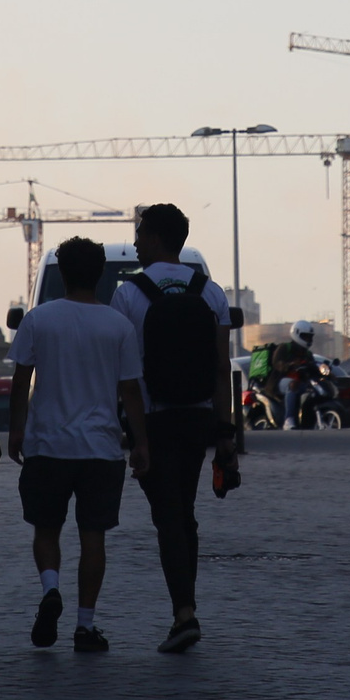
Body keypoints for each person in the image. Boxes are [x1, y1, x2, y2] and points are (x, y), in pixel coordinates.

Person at [8, 237, 149, 654]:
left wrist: (16, 431)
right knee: (93, 539)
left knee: (46, 530)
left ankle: (51, 588)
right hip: (101, 448)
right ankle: (85, 627)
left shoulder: (38, 319)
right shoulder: (118, 326)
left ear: (63, 273)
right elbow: (130, 391)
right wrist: (141, 442)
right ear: (100, 273)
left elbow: (19, 383)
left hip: (47, 444)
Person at [107, 204, 236, 653]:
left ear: (158, 238)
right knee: (183, 511)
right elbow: (223, 370)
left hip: (154, 418)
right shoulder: (211, 292)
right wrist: (225, 434)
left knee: (168, 517)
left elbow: (124, 374)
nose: (136, 242)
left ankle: (184, 614)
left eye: (140, 235)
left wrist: (131, 432)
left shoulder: (127, 296)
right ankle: (186, 608)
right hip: (198, 417)